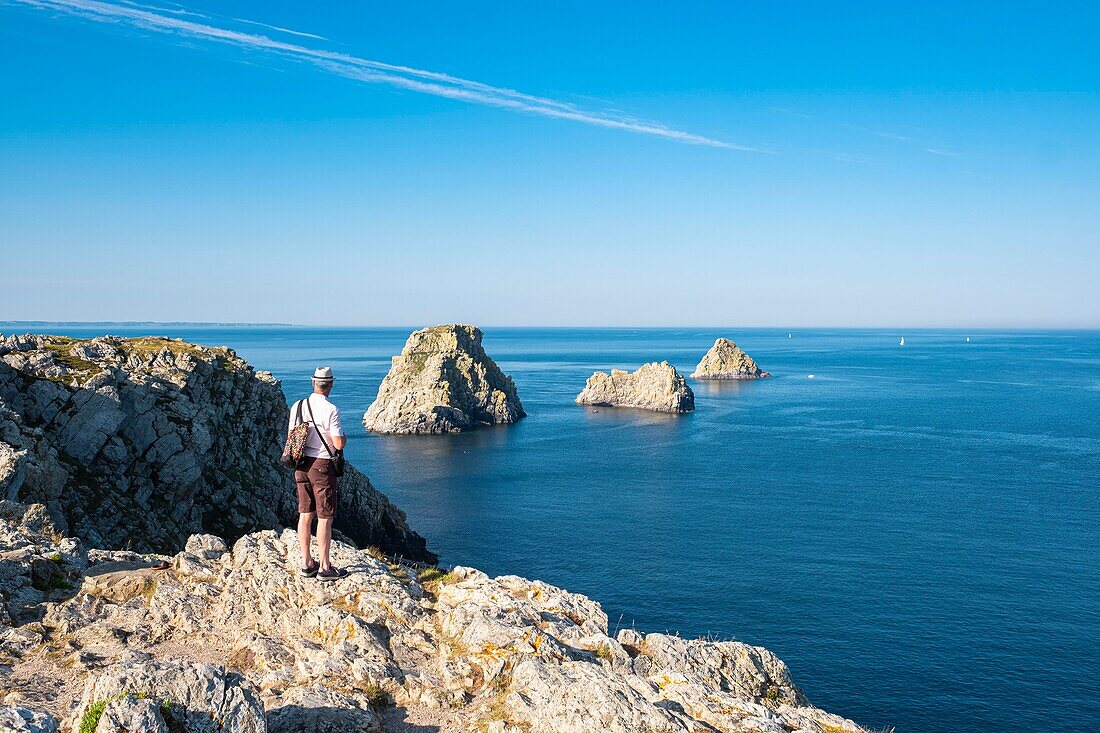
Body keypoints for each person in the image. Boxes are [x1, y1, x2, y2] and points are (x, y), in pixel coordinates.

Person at [290, 366, 348, 581]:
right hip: (322, 465)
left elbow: (292, 435)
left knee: (305, 514)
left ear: (312, 382)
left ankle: (306, 563)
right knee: (325, 517)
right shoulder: (331, 409)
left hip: (300, 464)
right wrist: (344, 439)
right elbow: (338, 443)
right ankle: (325, 567)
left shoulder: (297, 406)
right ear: (331, 384)